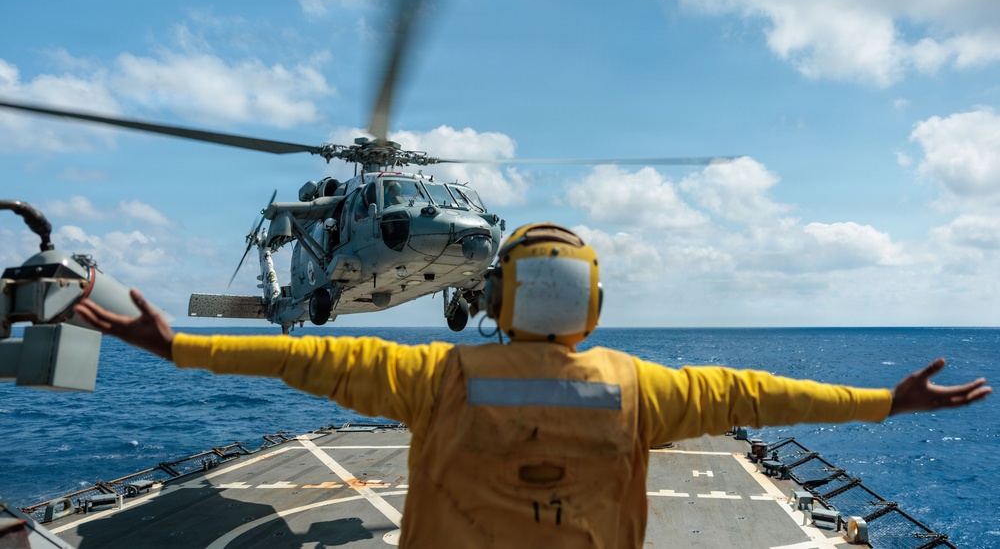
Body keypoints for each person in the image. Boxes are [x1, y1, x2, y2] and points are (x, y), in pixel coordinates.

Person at [74, 223, 991, 549]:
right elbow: (759, 392)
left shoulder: (430, 374)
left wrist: (177, 346)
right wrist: (885, 401)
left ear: (498, 297)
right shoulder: (647, 389)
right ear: (592, 301)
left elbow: (296, 357)